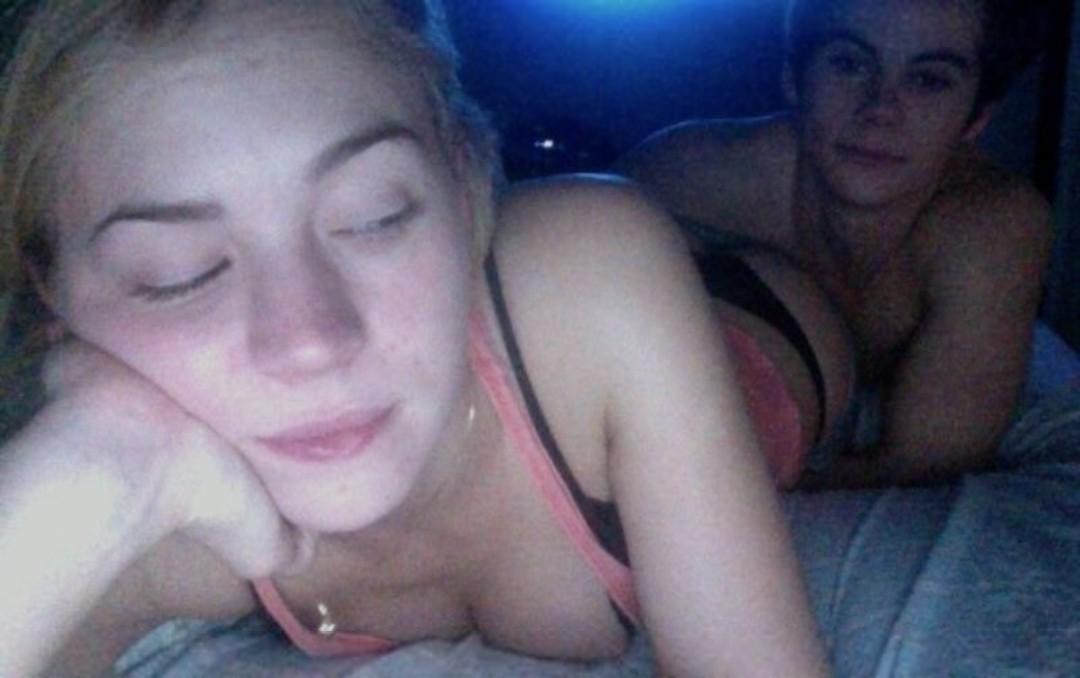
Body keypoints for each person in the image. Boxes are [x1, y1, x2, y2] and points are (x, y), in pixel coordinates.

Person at [0, 1, 853, 675]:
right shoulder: (174, 527)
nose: (311, 343)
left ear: (465, 180)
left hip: (758, 318)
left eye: (375, 216)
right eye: (177, 274)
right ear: (55, 300)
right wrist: (94, 469)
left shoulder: (598, 265)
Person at [618, 0, 1054, 488]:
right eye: (850, 64)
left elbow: (925, 463)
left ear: (977, 118)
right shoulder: (688, 178)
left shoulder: (989, 231)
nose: (880, 110)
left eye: (928, 80)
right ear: (794, 78)